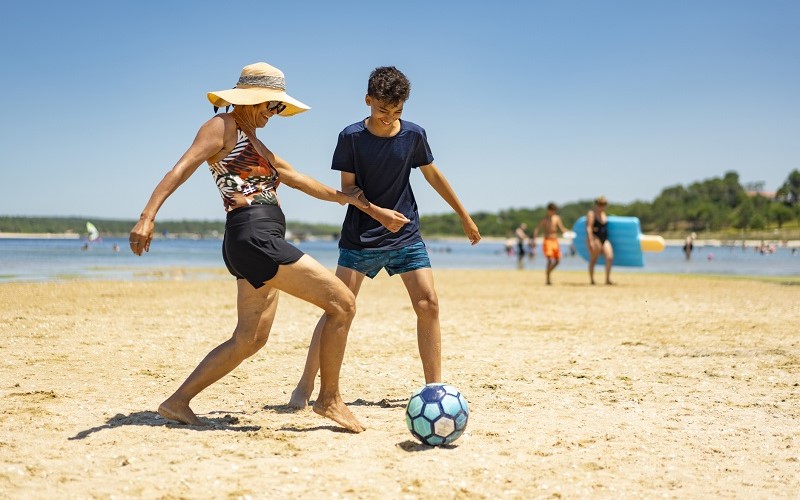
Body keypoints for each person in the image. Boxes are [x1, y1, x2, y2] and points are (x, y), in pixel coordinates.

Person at [128, 62, 368, 433]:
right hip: (254, 237)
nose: (274, 114)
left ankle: (177, 402)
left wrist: (350, 200)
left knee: (251, 338)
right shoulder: (222, 126)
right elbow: (182, 167)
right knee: (343, 304)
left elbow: (299, 179)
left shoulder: (256, 141)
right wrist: (147, 216)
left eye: (278, 108)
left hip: (253, 242)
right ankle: (329, 400)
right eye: (272, 106)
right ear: (253, 99)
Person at [289, 66, 481, 408]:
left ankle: (434, 390)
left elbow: (433, 176)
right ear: (368, 101)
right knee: (337, 309)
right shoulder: (350, 137)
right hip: (360, 238)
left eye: (397, 112)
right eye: (382, 110)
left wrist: (463, 216)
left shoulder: (414, 135)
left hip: (406, 235)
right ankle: (305, 385)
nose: (389, 118)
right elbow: (349, 190)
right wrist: (379, 214)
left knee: (429, 303)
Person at [533, 203, 568, 285]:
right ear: (548, 210)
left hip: (555, 240)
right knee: (549, 260)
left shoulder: (557, 218)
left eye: (554, 210)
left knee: (557, 260)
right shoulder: (545, 219)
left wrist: (569, 232)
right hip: (547, 240)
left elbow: (562, 228)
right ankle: (548, 279)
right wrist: (534, 239)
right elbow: (537, 229)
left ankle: (548, 272)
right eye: (551, 210)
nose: (553, 212)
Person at [586, 196, 614, 285]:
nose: (602, 206)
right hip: (595, 238)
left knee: (609, 257)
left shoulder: (604, 214)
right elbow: (589, 228)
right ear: (596, 204)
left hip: (604, 239)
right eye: (600, 204)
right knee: (594, 259)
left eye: (604, 204)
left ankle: (607, 279)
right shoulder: (591, 214)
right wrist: (590, 241)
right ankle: (592, 280)